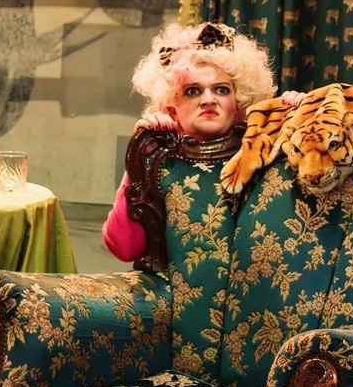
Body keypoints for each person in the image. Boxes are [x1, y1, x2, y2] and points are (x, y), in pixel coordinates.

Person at [100, 22, 288, 262]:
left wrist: (299, 114)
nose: (208, 100)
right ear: (172, 108)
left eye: (221, 90)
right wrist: (142, 160)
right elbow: (125, 248)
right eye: (192, 91)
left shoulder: (264, 150)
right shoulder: (158, 157)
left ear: (239, 102)